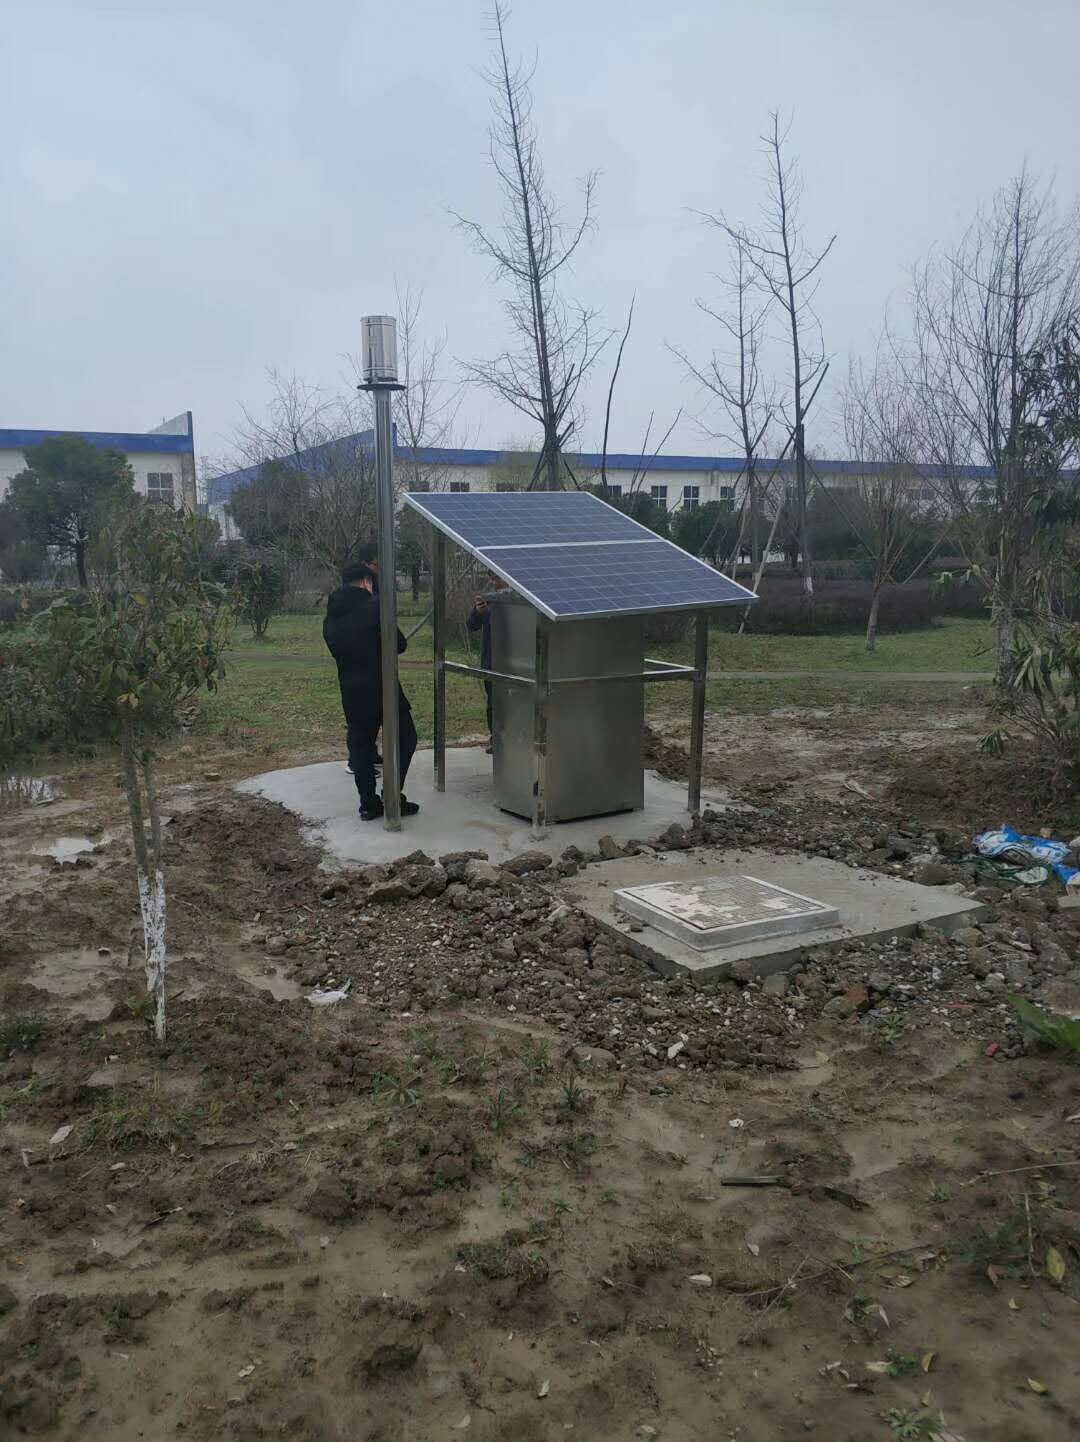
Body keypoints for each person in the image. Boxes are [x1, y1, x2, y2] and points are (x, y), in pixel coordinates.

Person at [323, 563, 418, 821]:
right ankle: (391, 796)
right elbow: (399, 644)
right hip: (383, 688)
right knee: (406, 738)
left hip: (352, 691)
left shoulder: (331, 617)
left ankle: (367, 803)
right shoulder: (376, 608)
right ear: (367, 582)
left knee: (361, 747)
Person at [467, 574, 506, 754]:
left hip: (513, 661)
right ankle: (495, 738)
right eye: (492, 578)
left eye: (497, 578)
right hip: (491, 662)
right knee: (493, 704)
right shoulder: (489, 599)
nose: (493, 582)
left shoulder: (518, 599)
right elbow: (471, 625)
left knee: (513, 704)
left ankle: (512, 739)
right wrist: (478, 611)